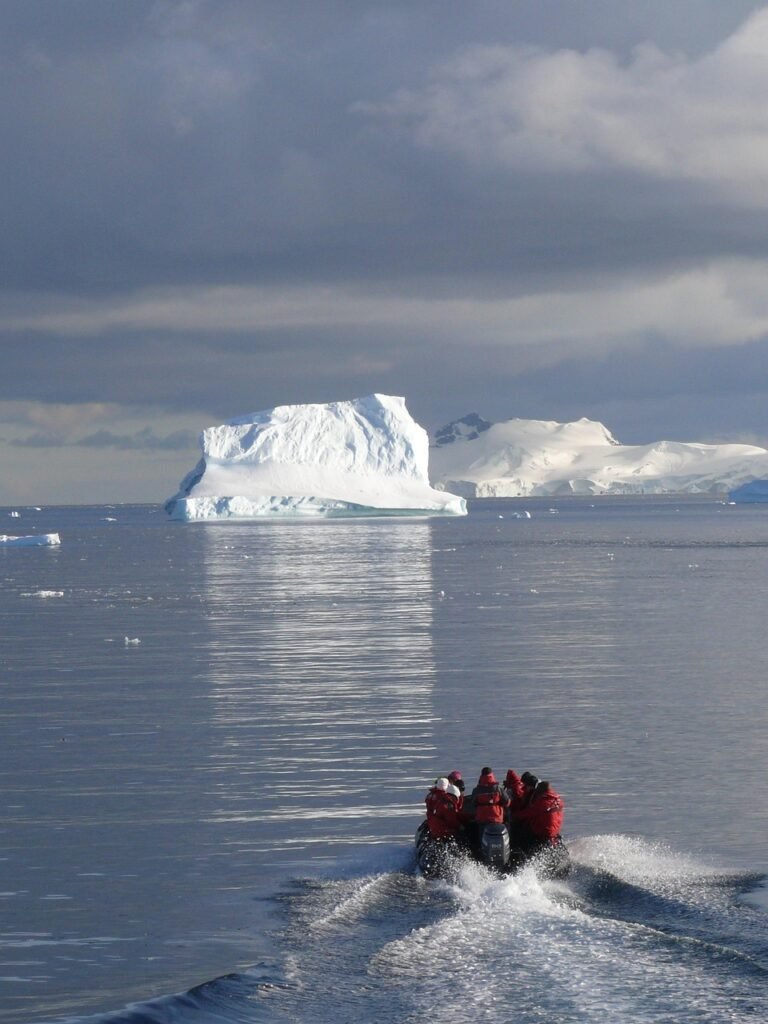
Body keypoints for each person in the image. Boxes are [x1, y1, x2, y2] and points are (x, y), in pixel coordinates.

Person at [512, 780, 564, 849]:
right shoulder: (559, 800)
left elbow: (528, 813)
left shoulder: (543, 802)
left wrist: (514, 815)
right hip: (555, 831)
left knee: (521, 834)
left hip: (544, 832)